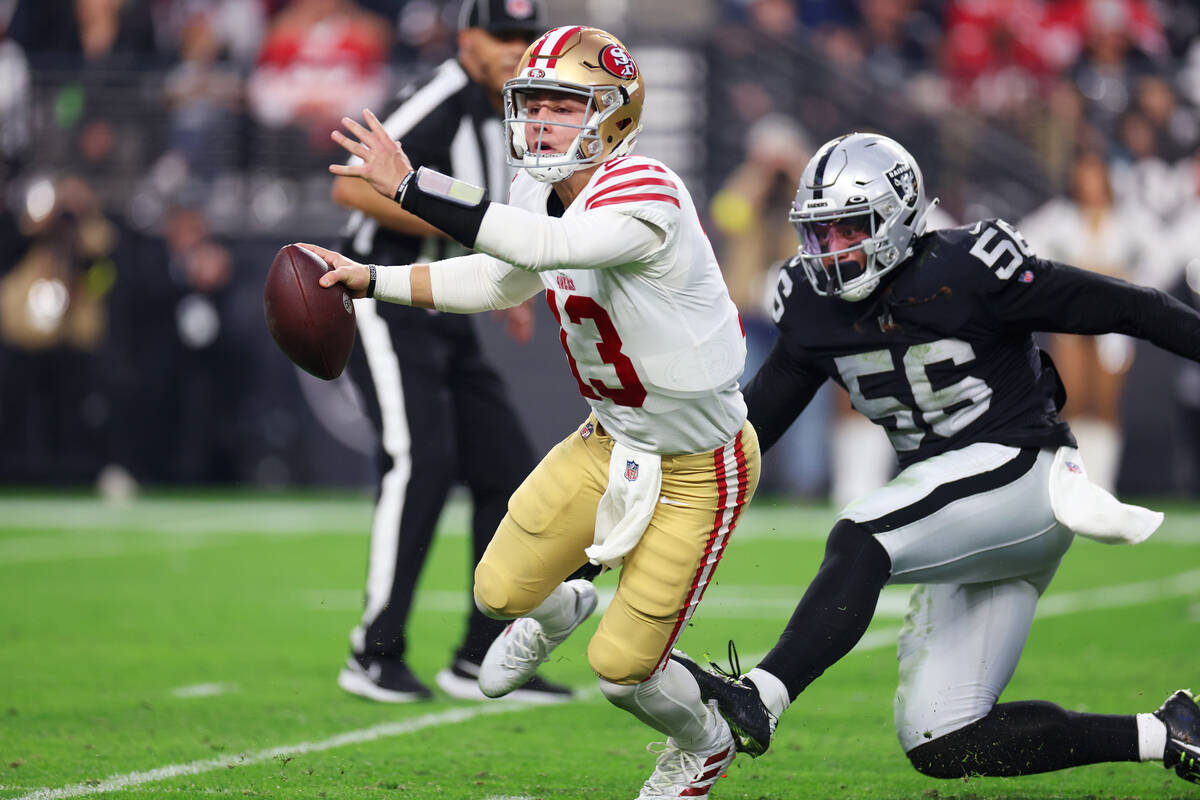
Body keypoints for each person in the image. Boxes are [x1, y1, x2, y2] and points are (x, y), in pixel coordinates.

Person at [306, 26, 761, 799]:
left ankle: (705, 745)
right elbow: (499, 279)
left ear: (614, 115)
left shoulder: (645, 188)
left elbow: (549, 247)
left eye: (562, 104)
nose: (541, 121)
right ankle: (561, 608)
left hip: (699, 466)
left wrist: (413, 185)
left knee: (622, 674)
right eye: (533, 104)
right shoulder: (535, 194)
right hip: (609, 440)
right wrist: (372, 279)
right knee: (494, 594)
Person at [671, 131, 1200, 787]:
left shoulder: (968, 270)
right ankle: (1170, 733)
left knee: (864, 533)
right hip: (968, 518)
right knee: (944, 739)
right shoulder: (811, 305)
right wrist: (660, 502)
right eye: (819, 233)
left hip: (1025, 472)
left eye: (849, 229)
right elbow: (750, 433)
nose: (831, 251)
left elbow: (1130, 305)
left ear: (896, 219)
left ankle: (764, 694)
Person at [329, 0, 570, 704]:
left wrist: (504, 283)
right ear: (467, 39)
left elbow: (492, 217)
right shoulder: (440, 95)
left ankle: (478, 653)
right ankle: (373, 652)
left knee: (505, 468)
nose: (515, 48)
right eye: (502, 34)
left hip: (445, 299)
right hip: (384, 296)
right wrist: (466, 234)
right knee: (420, 461)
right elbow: (348, 179)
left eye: (526, 35)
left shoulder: (514, 109)